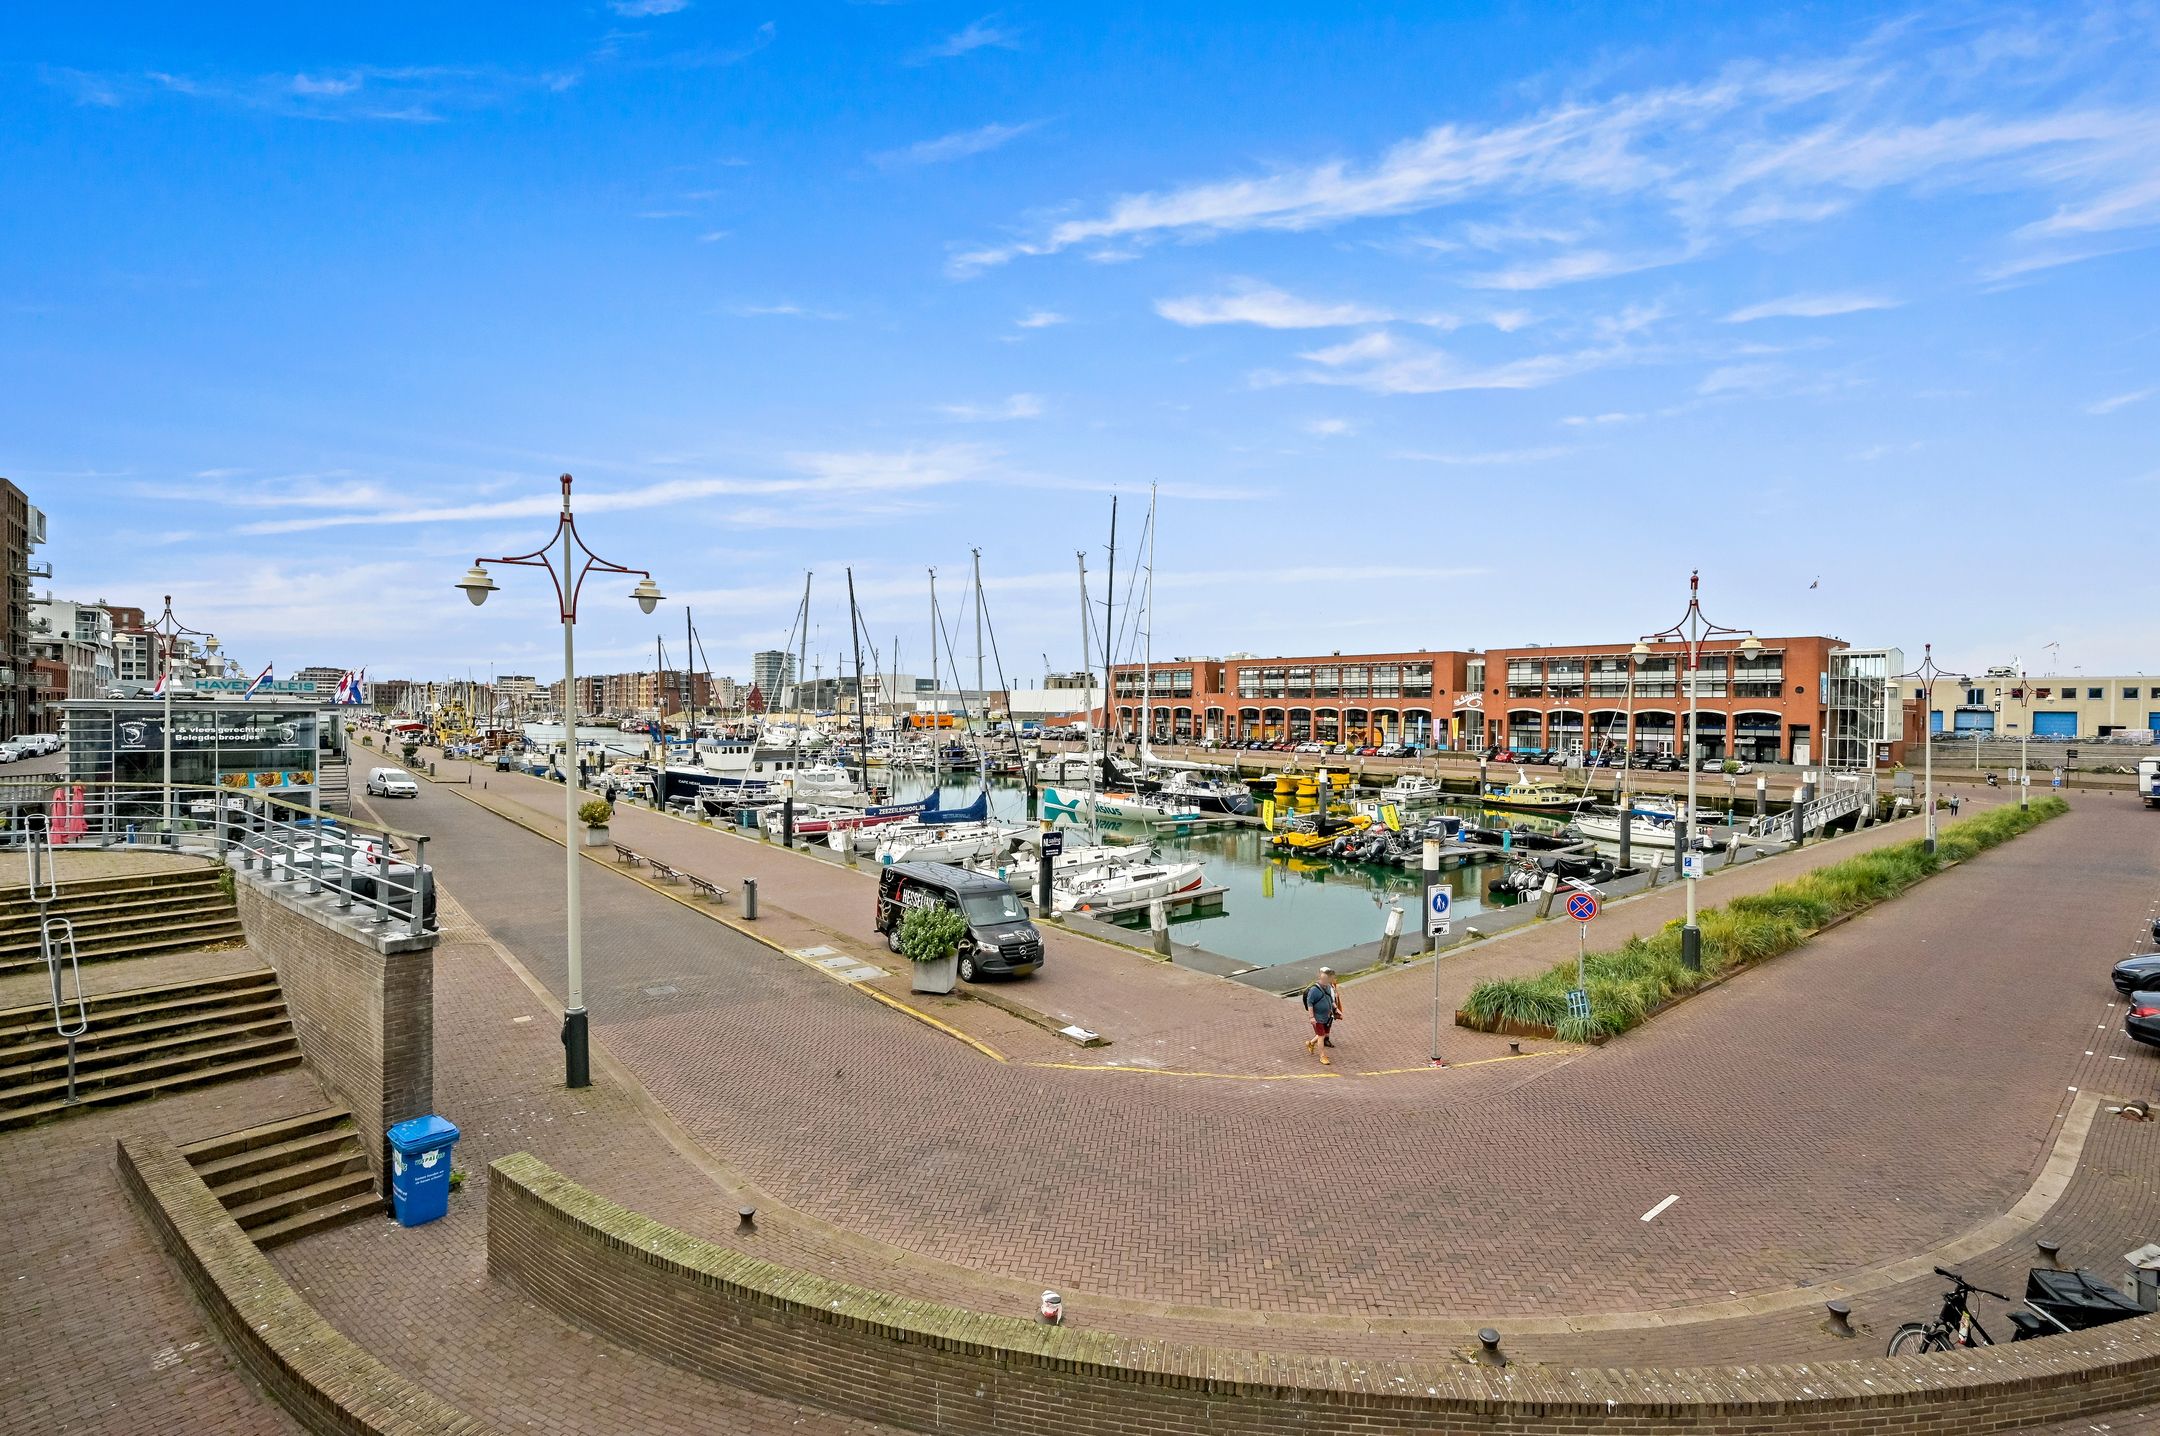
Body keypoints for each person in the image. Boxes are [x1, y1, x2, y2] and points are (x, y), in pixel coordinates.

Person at [1302, 966, 1343, 1064]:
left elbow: (1331, 1000)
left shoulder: (1328, 987)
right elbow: (1310, 1003)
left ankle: (1311, 1043)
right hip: (1318, 1018)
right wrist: (1312, 1017)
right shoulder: (1314, 990)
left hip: (1327, 1016)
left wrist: (1336, 1009)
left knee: (1323, 1034)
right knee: (1321, 1036)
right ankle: (1322, 1056)